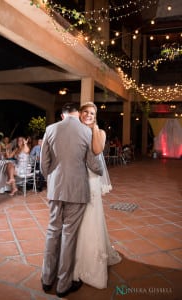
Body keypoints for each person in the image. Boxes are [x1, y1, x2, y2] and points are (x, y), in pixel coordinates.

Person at [40, 103, 103, 298]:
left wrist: (52, 179)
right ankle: (63, 285)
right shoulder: (86, 131)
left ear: (62, 115)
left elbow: (44, 163)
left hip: (56, 188)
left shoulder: (50, 129)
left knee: (52, 231)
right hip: (77, 190)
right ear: (77, 114)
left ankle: (46, 279)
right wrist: (101, 171)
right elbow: (94, 164)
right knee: (69, 235)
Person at [73, 102, 122, 289]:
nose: (88, 115)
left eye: (92, 113)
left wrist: (93, 129)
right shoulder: (75, 132)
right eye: (85, 112)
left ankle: (91, 264)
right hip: (77, 181)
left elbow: (97, 150)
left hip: (91, 182)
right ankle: (76, 258)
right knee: (77, 220)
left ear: (95, 116)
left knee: (91, 220)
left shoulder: (100, 133)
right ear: (80, 114)